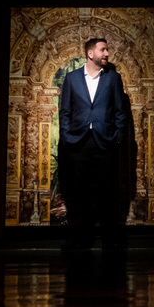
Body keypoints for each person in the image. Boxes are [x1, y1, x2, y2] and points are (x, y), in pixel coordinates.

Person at [59, 37, 128, 250]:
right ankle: (77, 239)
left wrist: (117, 138)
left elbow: (120, 112)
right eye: (103, 49)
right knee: (77, 192)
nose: (107, 53)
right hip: (78, 143)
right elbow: (65, 111)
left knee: (107, 192)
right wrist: (67, 136)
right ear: (91, 54)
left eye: (107, 49)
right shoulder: (71, 78)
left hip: (104, 143)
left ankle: (110, 240)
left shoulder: (113, 79)